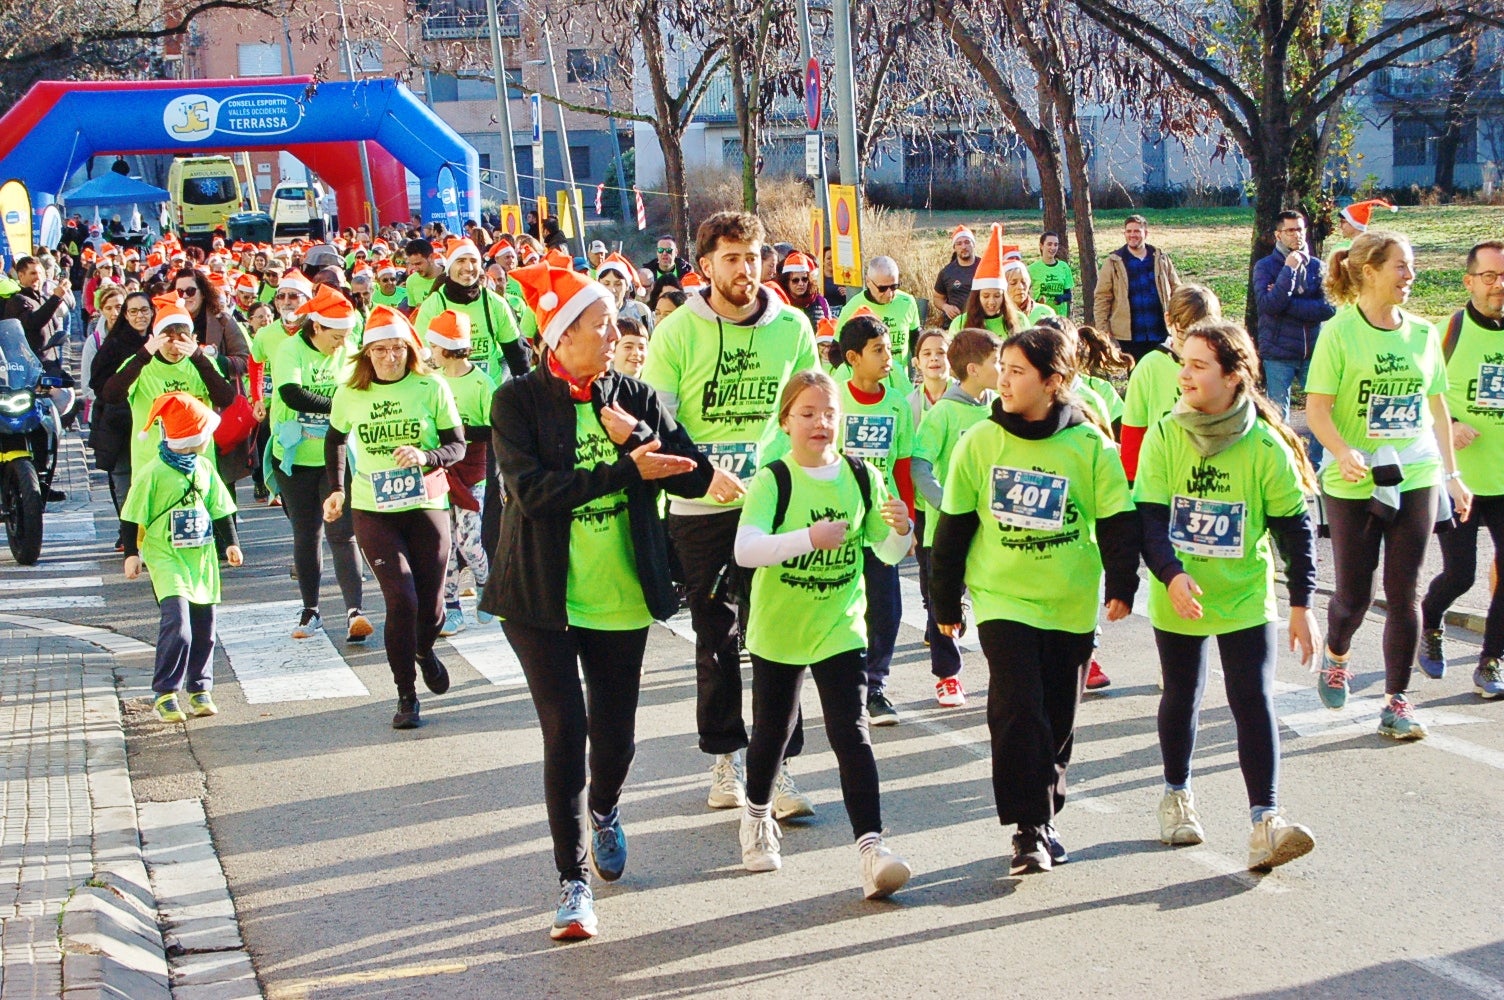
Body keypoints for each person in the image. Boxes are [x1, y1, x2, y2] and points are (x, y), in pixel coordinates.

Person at [482, 261, 711, 941]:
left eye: (617, 319)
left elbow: (691, 476)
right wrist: (621, 468)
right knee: (566, 732)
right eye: (601, 322)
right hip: (540, 598)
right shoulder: (516, 401)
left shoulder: (635, 397)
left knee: (615, 741)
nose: (618, 331)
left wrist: (638, 442)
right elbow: (533, 494)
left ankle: (605, 807)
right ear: (560, 335)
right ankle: (572, 882)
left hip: (618, 596)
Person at [930, 326, 1139, 874]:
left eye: (1018, 371)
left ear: (1055, 381)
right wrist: (945, 603)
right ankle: (1028, 829)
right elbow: (952, 529)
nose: (1003, 378)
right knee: (1017, 710)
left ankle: (1046, 817)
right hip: (1003, 599)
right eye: (1002, 367)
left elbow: (1117, 517)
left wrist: (1122, 582)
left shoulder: (1088, 444)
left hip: (1068, 602)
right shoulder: (979, 441)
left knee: (1057, 719)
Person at [639, 211, 821, 816]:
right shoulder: (675, 333)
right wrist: (701, 472)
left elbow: (810, 409)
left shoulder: (792, 327)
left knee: (779, 635)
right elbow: (658, 422)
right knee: (717, 635)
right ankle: (725, 761)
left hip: (772, 499)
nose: (746, 269)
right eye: (732, 258)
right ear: (706, 266)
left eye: (753, 256)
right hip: (699, 506)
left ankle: (782, 768)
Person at [1135, 320, 1319, 871]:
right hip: (1181, 589)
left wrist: (1302, 604)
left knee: (1251, 699)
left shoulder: (1265, 444)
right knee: (1183, 693)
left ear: (1234, 376)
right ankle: (1176, 795)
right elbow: (1148, 517)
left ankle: (1266, 820)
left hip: (1243, 592)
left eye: (1197, 365)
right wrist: (1170, 574)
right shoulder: (1166, 434)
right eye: (1182, 362)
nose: (1184, 374)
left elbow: (1294, 529)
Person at [733, 370, 913, 897]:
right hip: (781, 626)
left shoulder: (860, 476)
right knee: (774, 730)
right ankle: (757, 816)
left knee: (850, 733)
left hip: (840, 624)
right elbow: (747, 549)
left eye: (829, 413)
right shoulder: (775, 480)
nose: (820, 423)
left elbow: (886, 552)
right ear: (786, 420)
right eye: (808, 413)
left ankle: (872, 850)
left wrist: (902, 528)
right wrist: (807, 538)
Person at [1305, 230, 1472, 740]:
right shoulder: (1339, 333)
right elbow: (1317, 409)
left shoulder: (1423, 334)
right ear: (1369, 271)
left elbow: (1437, 407)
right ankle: (1337, 654)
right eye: (1401, 265)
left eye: (1412, 265)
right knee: (1355, 596)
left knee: (1406, 592)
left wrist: (1452, 476)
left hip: (1416, 472)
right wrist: (1341, 450)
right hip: (1355, 479)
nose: (1410, 275)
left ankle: (1397, 701)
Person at [323, 306, 466, 730]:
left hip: (425, 504)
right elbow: (335, 438)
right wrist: (337, 488)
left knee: (433, 608)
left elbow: (456, 445)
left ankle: (424, 651)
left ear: (410, 349)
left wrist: (425, 456)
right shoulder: (351, 393)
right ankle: (407, 695)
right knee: (401, 600)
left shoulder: (430, 386)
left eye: (397, 349)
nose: (390, 357)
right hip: (374, 508)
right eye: (381, 350)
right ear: (367, 354)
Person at [120, 393, 243, 723]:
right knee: (179, 625)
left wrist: (230, 543)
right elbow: (131, 515)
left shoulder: (204, 467)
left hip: (201, 559)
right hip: (166, 558)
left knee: (205, 628)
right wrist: (132, 553)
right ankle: (165, 692)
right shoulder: (153, 473)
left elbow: (219, 508)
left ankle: (200, 688)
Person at [1419, 240, 1504, 699]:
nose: (1499, 286)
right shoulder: (1444, 334)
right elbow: (1415, 398)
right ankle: (1430, 620)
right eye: (1489, 277)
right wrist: (1449, 425)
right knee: (1462, 575)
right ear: (1469, 281)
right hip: (1459, 480)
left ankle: (1492, 660)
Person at [269, 284, 372, 642]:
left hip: (336, 456)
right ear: (316, 328)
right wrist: (340, 406)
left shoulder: (347, 352)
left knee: (342, 534)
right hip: (296, 457)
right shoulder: (290, 350)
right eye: (336, 336)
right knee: (307, 532)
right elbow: (291, 394)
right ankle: (311, 610)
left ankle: (355, 612)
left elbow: (364, 387)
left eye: (347, 336)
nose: (342, 343)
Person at [829, 314, 915, 725]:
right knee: (845, 610)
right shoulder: (834, 400)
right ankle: (848, 684)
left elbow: (902, 466)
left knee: (887, 609)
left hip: (881, 523)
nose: (889, 358)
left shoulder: (898, 400)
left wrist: (908, 522)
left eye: (889, 349)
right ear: (852, 357)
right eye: (878, 351)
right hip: (841, 523)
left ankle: (875, 686)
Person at [911, 328, 1001, 708]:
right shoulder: (943, 413)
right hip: (945, 532)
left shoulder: (999, 407)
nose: (1003, 370)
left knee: (996, 601)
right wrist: (949, 508)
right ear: (974, 369)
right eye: (997, 363)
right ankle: (947, 676)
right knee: (941, 603)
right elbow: (919, 467)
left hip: (992, 530)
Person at [102, 294, 238, 487]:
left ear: (193, 338)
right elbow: (111, 395)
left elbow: (225, 398)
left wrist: (199, 359)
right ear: (155, 339)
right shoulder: (140, 364)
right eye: (168, 340)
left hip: (197, 468)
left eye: (181, 340)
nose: (175, 348)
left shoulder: (202, 363)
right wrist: (142, 356)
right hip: (152, 467)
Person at [424, 310, 497, 637]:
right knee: (445, 543)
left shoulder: (482, 382)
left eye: (432, 346)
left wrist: (462, 431)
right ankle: (451, 607)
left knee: (468, 541)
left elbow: (496, 429)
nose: (429, 352)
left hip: (472, 469)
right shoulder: (430, 381)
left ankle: (485, 581)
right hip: (438, 469)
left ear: (444, 348)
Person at [1254, 210, 1335, 468]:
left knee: (1322, 411)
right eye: (1291, 230)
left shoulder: (1317, 267)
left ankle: (1314, 464)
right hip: (1278, 353)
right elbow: (1269, 305)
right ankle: (1285, 464)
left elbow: (1328, 308)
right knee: (1278, 415)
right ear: (1279, 234)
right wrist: (1288, 272)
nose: (1297, 235)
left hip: (1313, 351)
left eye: (1300, 229)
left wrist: (1289, 303)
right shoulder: (1265, 267)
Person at [1120, 284, 1222, 482]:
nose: (1193, 346)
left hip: (1214, 480)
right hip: (1162, 481)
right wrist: (1133, 489)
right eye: (1185, 334)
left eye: (1203, 337)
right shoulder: (1150, 367)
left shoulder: (1223, 367)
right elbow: (1133, 435)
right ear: (1169, 320)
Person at [412, 238, 528, 381]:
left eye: (473, 261)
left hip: (491, 392)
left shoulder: (495, 303)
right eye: (460, 261)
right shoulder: (433, 304)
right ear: (449, 266)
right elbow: (423, 356)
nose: (468, 267)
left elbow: (516, 355)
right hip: (450, 395)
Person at [88, 291, 153, 546]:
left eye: (144, 310)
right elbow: (97, 383)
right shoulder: (114, 345)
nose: (140, 316)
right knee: (125, 480)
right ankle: (130, 536)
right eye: (134, 311)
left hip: (152, 424)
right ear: (125, 315)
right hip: (121, 424)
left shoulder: (158, 339)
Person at [1093, 215, 1181, 361]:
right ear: (1124, 234)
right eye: (1129, 231)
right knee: (1136, 378)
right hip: (1129, 336)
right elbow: (1102, 297)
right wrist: (1103, 330)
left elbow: (1177, 289)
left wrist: (1179, 320)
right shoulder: (1113, 262)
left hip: (1160, 331)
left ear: (1145, 233)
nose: (1132, 235)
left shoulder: (1160, 259)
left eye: (1137, 231)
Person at [835, 257, 922, 389]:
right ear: (868, 282)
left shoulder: (907, 302)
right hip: (866, 388)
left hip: (899, 384)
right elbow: (835, 351)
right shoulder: (853, 307)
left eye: (894, 287)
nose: (889, 293)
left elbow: (916, 337)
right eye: (882, 288)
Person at [949, 226, 1029, 337]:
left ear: (1004, 297)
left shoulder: (1020, 320)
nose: (991, 302)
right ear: (977, 297)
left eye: (997, 296)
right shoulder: (960, 323)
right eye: (986, 296)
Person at [4, 255, 72, 377]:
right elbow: (34, 322)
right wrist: (55, 298)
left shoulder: (42, 298)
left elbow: (55, 324)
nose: (38, 277)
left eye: (40, 273)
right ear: (21, 276)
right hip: (33, 367)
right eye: (33, 273)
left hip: (51, 362)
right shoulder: (18, 300)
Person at [596, 253, 655, 332]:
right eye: (606, 284)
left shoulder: (640, 311)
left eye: (618, 284)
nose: (612, 290)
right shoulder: (591, 315)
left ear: (627, 286)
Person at [932, 225, 980, 322]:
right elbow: (937, 298)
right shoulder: (946, 272)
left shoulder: (984, 267)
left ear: (973, 244)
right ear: (954, 247)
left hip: (980, 323)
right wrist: (946, 307)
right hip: (954, 325)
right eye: (959, 243)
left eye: (967, 242)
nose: (964, 247)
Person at [777, 251, 833, 329]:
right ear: (786, 282)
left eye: (804, 279)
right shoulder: (780, 303)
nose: (801, 283)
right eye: (795, 280)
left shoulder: (820, 301)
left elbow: (829, 329)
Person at [909, 328, 952, 426]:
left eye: (941, 353)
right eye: (927, 354)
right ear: (917, 362)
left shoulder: (965, 398)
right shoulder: (909, 404)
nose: (934, 358)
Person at [1029, 232, 1075, 317]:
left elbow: (1068, 295)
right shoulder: (1032, 269)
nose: (1053, 248)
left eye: (1056, 244)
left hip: (1059, 318)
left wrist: (1061, 298)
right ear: (1041, 246)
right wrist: (1036, 300)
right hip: (1039, 317)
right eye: (1049, 244)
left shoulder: (1064, 267)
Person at [641, 235, 694, 307]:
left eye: (669, 250)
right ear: (657, 252)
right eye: (660, 250)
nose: (664, 253)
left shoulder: (687, 274)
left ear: (676, 252)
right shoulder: (647, 275)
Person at [1331, 199, 1397, 253]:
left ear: (1355, 224)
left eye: (1343, 222)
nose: (1339, 226)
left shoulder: (1373, 248)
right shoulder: (1339, 248)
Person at [1004, 260, 1059, 325]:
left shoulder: (1046, 313)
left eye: (1024, 282)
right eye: (1013, 283)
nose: (1020, 287)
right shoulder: (997, 317)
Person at [403, 239, 445, 308]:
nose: (415, 268)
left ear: (431, 258)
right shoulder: (411, 281)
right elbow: (413, 310)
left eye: (418, 264)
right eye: (412, 264)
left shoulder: (450, 276)